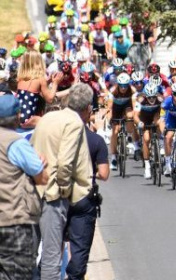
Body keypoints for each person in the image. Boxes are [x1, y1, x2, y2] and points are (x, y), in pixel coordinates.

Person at [30, 84, 93, 280]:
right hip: (53, 194)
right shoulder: (73, 124)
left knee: (29, 253)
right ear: (87, 108)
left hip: (33, 188)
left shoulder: (48, 117)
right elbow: (65, 163)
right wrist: (64, 189)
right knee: (51, 256)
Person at [0, 94, 47, 280]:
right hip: (14, 221)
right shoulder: (16, 142)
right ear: (17, 116)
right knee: (20, 273)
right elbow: (41, 177)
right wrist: (42, 163)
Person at [65, 84, 109, 279]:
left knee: (52, 247)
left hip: (60, 194)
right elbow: (104, 173)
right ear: (88, 110)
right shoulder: (95, 140)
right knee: (80, 249)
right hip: (83, 197)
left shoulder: (61, 132)